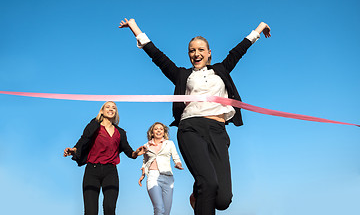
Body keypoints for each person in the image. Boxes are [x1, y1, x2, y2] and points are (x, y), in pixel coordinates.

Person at [119, 18, 271, 215]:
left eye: (201, 50)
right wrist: (134, 27)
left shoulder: (221, 70)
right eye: (192, 50)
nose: (196, 54)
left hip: (218, 131)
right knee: (207, 182)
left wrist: (259, 28)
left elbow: (239, 51)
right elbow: (158, 57)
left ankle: (196, 196)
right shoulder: (182, 75)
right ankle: (202, 190)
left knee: (223, 199)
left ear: (209, 53)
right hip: (191, 129)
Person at [63, 101, 146, 215]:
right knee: (90, 211)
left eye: (114, 108)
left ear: (116, 112)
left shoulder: (120, 132)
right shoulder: (93, 126)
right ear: (102, 111)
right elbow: (83, 140)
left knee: (110, 207)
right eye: (108, 107)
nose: (111, 109)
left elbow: (128, 151)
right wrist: (74, 150)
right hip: (92, 170)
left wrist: (136, 153)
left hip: (110, 172)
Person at [138, 122, 183, 215]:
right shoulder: (146, 146)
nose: (159, 130)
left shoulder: (169, 143)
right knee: (159, 208)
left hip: (168, 177)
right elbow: (145, 161)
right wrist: (142, 175)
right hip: (153, 177)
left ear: (164, 132)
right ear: (152, 132)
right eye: (156, 129)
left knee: (166, 212)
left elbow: (176, 157)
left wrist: (178, 164)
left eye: (161, 129)